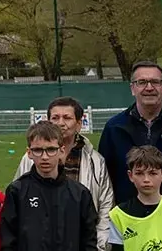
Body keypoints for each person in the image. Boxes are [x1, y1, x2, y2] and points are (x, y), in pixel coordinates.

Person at [0, 120, 101, 251]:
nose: (44, 156)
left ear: (61, 150)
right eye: (38, 150)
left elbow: (89, 244)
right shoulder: (17, 191)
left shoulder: (79, 194)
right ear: (29, 153)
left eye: (50, 150)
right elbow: (7, 241)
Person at [96, 59, 162, 207]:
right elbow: (105, 179)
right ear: (132, 88)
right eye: (142, 82)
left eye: (155, 82)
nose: (149, 87)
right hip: (127, 216)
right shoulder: (114, 128)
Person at [16, 97, 114, 227]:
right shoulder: (30, 158)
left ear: (79, 124)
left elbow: (106, 208)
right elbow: (17, 200)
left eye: (67, 118)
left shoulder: (95, 161)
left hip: (81, 238)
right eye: (55, 118)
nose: (60, 123)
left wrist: (99, 246)